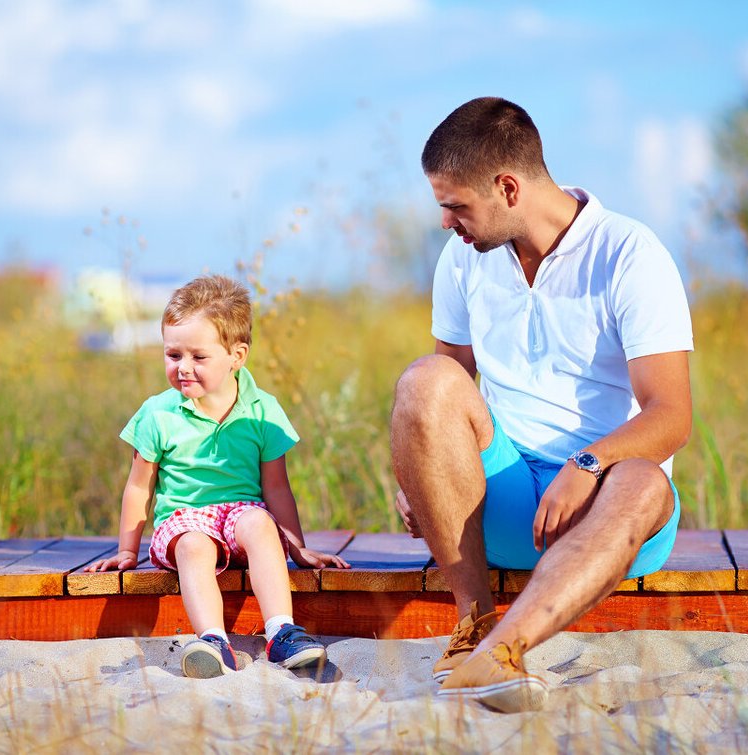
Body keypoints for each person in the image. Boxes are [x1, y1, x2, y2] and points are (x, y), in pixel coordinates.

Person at [390, 97, 693, 712]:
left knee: (641, 482)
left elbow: (671, 416)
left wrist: (585, 466)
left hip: (607, 511)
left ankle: (502, 654)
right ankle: (473, 625)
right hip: (499, 503)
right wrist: (419, 472)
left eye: (455, 205)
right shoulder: (463, 258)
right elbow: (447, 385)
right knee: (425, 379)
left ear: (507, 187)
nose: (446, 223)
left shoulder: (630, 254)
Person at [88, 274, 349, 678]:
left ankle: (281, 633)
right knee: (194, 546)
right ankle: (213, 641)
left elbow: (276, 487)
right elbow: (139, 485)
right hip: (183, 519)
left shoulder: (263, 410)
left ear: (237, 356)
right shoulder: (158, 414)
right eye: (173, 355)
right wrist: (127, 550)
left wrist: (298, 548)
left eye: (198, 357)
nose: (183, 368)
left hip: (241, 513)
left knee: (261, 523)